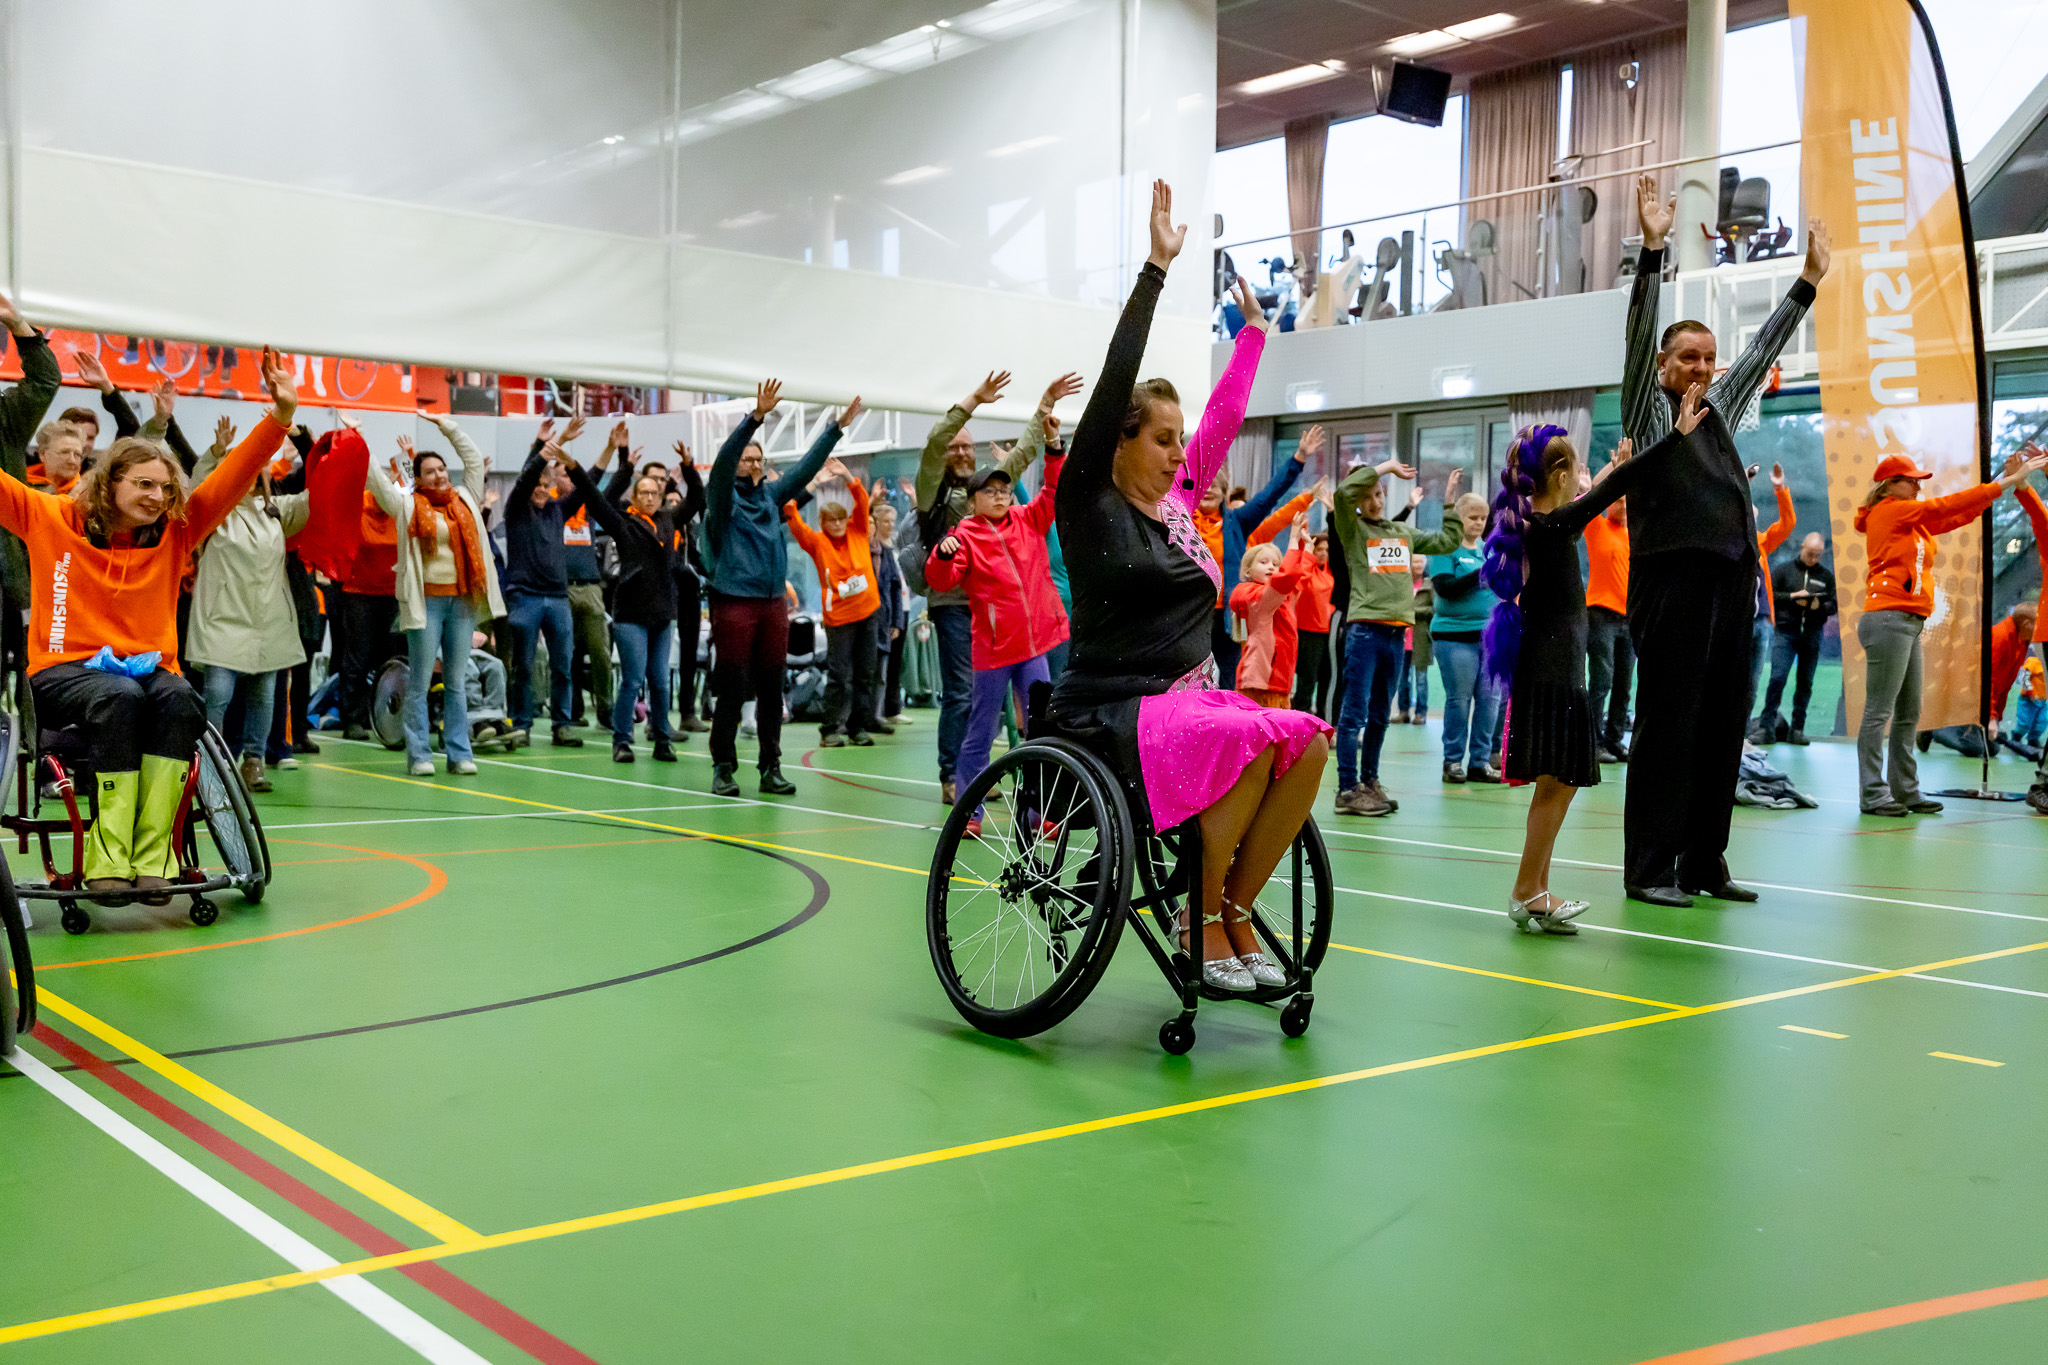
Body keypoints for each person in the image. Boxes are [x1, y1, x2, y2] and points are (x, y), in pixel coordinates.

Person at [1050, 179, 1331, 993]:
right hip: (1113, 710)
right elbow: (1116, 380)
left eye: (1181, 441)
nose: (1181, 454)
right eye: (1162, 439)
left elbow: (1225, 418)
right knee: (1247, 741)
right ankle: (1199, 918)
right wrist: (1156, 269)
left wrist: (1253, 336)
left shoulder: (1176, 503)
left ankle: (1231, 910)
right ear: (1121, 441)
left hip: (1190, 702)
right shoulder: (1089, 502)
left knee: (1307, 740)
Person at [0, 340, 295, 900]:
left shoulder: (177, 530)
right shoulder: (49, 517)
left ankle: (153, 856)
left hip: (149, 669)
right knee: (119, 697)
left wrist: (280, 416)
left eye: (165, 487)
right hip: (62, 671)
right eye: (144, 485)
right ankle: (109, 857)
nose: (158, 496)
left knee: (181, 699)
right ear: (110, 482)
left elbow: (235, 474)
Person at [1619, 174, 1831, 905]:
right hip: (1671, 585)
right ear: (1664, 367)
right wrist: (1653, 253)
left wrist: (1807, 282)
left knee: (1721, 725)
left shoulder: (1719, 408)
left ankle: (1703, 864)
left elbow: (1762, 348)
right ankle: (1650, 868)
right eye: (1689, 358)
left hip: (1731, 587)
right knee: (1669, 726)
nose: (1703, 369)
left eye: (1709, 359)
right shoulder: (1652, 413)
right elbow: (1636, 340)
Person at [1484, 407, 1698, 933]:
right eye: (1576, 471)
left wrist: (1605, 472)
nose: (1582, 479)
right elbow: (1609, 491)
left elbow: (1595, 492)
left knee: (1557, 785)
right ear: (1560, 476)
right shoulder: (1552, 527)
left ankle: (1534, 889)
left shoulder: (1535, 523)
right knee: (1557, 783)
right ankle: (1526, 890)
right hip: (1553, 671)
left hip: (1552, 666)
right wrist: (1675, 436)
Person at [913, 369, 1078, 804]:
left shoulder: (1008, 504)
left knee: (1033, 718)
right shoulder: (933, 488)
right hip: (957, 604)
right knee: (965, 700)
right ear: (973, 501)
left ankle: (1036, 805)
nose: (962, 451)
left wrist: (1046, 408)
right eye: (956, 446)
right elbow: (935, 444)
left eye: (968, 446)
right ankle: (956, 783)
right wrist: (972, 401)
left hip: (1018, 625)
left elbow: (1028, 458)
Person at [1855, 448, 2046, 815]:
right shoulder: (1890, 511)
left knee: (1909, 712)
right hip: (1889, 618)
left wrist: (2003, 486)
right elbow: (1944, 506)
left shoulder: (1910, 520)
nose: (1917, 486)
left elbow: (1957, 515)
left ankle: (1905, 790)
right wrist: (2004, 482)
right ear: (1889, 486)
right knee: (1879, 712)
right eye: (1910, 481)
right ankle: (1873, 794)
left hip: (1908, 620)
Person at [701, 380, 857, 798]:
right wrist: (754, 419)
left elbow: (805, 469)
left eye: (758, 459)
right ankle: (723, 766)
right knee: (733, 687)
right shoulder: (722, 499)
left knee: (772, 688)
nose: (752, 463)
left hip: (772, 604)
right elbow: (724, 462)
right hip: (734, 602)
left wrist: (836, 428)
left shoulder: (771, 496)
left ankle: (771, 766)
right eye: (746, 458)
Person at [925, 440, 1068, 836]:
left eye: (1004, 489)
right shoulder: (964, 537)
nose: (1001, 495)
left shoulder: (1027, 519)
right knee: (981, 732)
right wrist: (941, 555)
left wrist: (1054, 449)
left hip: (1033, 647)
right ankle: (968, 814)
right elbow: (942, 580)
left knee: (1039, 731)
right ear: (972, 501)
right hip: (993, 651)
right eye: (990, 491)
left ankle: (1038, 813)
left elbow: (1053, 491)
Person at [185, 414, 318, 794]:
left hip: (268, 620)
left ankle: (253, 762)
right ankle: (208, 766)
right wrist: (216, 454)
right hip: (223, 619)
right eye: (242, 468)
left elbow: (319, 490)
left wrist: (307, 441)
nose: (251, 475)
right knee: (218, 696)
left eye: (257, 469)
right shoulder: (215, 511)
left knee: (264, 698)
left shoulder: (279, 511)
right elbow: (198, 490)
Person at [367, 413, 505, 777]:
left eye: (442, 469)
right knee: (420, 681)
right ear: (417, 478)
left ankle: (459, 753)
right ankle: (419, 755)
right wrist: (357, 437)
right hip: (425, 603)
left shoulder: (466, 498)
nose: (439, 475)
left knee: (457, 681)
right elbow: (378, 482)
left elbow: (473, 461)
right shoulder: (407, 506)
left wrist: (449, 427)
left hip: (462, 602)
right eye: (430, 471)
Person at [1331, 461, 1462, 814]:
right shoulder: (1353, 530)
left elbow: (1448, 540)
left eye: (1378, 494)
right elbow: (1342, 493)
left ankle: (1369, 782)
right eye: (1367, 497)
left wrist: (1450, 503)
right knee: (1354, 714)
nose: (1374, 502)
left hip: (1394, 635)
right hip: (1365, 632)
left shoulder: (1402, 532)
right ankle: (1346, 790)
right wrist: (1386, 467)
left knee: (1379, 716)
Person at [1192, 278, 1291, 683]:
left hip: (1226, 611)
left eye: (1217, 485)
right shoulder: (1177, 517)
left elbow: (1269, 500)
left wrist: (1297, 462)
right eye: (1205, 484)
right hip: (1190, 614)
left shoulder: (1234, 523)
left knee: (1230, 677)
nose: (1210, 490)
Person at [564, 437, 680, 763]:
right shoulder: (623, 524)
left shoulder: (668, 522)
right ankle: (622, 741)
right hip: (630, 614)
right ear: (635, 497)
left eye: (655, 492)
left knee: (660, 682)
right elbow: (598, 499)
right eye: (644, 493)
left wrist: (688, 468)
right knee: (632, 679)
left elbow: (698, 498)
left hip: (663, 613)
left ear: (662, 497)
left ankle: (662, 740)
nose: (650, 497)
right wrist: (620, 462)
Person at [501, 415, 591, 748]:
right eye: (536, 485)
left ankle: (562, 724)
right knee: (523, 667)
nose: (540, 489)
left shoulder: (557, 510)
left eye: (545, 485)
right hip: (524, 596)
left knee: (563, 666)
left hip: (557, 598)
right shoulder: (515, 510)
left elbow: (589, 485)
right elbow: (527, 475)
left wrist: (611, 449)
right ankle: (521, 725)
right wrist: (549, 443)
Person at [785, 455, 882, 748]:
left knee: (865, 674)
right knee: (838, 676)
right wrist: (815, 483)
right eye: (831, 519)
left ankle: (858, 728)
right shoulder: (816, 542)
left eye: (841, 518)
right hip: (838, 619)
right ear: (823, 522)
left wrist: (848, 477)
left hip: (868, 612)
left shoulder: (858, 530)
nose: (838, 523)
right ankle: (829, 729)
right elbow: (790, 513)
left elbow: (862, 501)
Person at [1756, 531, 1837, 745]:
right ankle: (1766, 728)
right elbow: (1770, 595)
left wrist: (1819, 606)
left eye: (1818, 555)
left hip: (1812, 634)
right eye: (1810, 554)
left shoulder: (1826, 576)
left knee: (1805, 683)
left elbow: (1834, 604)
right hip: (1786, 632)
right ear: (1802, 548)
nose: (1814, 559)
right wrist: (1793, 597)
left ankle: (1797, 729)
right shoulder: (1783, 570)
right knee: (1777, 678)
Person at [1229, 522, 1311, 708]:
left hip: (1278, 682)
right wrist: (1292, 541)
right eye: (1263, 562)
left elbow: (1298, 579)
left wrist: (1307, 549)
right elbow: (1286, 578)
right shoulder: (1256, 596)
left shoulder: (1279, 597)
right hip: (1260, 684)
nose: (1271, 567)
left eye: (1276, 564)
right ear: (1248, 570)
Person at [1581, 475, 1633, 762]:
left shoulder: (1634, 534)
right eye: (1618, 501)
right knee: (1602, 681)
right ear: (1609, 503)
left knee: (1624, 685)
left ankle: (1614, 739)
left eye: (1627, 502)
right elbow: (1588, 501)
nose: (1623, 507)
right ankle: (1593, 741)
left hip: (1629, 619)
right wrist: (1596, 482)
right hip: (1601, 615)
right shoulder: (1598, 527)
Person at [1742, 464, 1798, 728]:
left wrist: (1780, 489)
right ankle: (1723, 739)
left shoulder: (1762, 542)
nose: (1751, 520)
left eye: (1753, 517)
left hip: (1762, 623)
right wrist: (1742, 482)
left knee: (1751, 685)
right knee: (1731, 681)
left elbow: (1787, 524)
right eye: (1747, 516)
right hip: (1738, 624)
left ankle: (1741, 738)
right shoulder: (1728, 543)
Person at [1288, 528, 1336, 717]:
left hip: (1330, 633)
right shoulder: (1307, 571)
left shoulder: (1331, 572)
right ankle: (1301, 713)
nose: (1323, 553)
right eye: (1319, 549)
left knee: (1328, 677)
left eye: (1327, 550)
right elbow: (1302, 569)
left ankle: (1324, 715)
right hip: (1308, 632)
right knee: (1307, 678)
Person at [870, 498, 909, 730]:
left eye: (893, 521)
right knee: (878, 663)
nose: (890, 525)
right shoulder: (873, 548)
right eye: (885, 521)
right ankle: (874, 710)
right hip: (880, 611)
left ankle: (892, 708)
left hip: (900, 609)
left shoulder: (896, 546)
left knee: (895, 663)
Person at [1989, 601, 2039, 757]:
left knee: (1992, 748)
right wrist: (1990, 718)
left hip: (1986, 706)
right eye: (2038, 626)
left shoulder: (2021, 642)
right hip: (1971, 704)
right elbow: (1986, 680)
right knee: (1976, 747)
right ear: (2026, 624)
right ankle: (1938, 731)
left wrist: (1996, 717)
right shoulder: (1999, 637)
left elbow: (2005, 683)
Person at [28, 421, 89, 495]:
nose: (72, 460)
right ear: (43, 454)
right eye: (65, 452)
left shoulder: (88, 494)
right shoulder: (22, 485)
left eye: (77, 454)